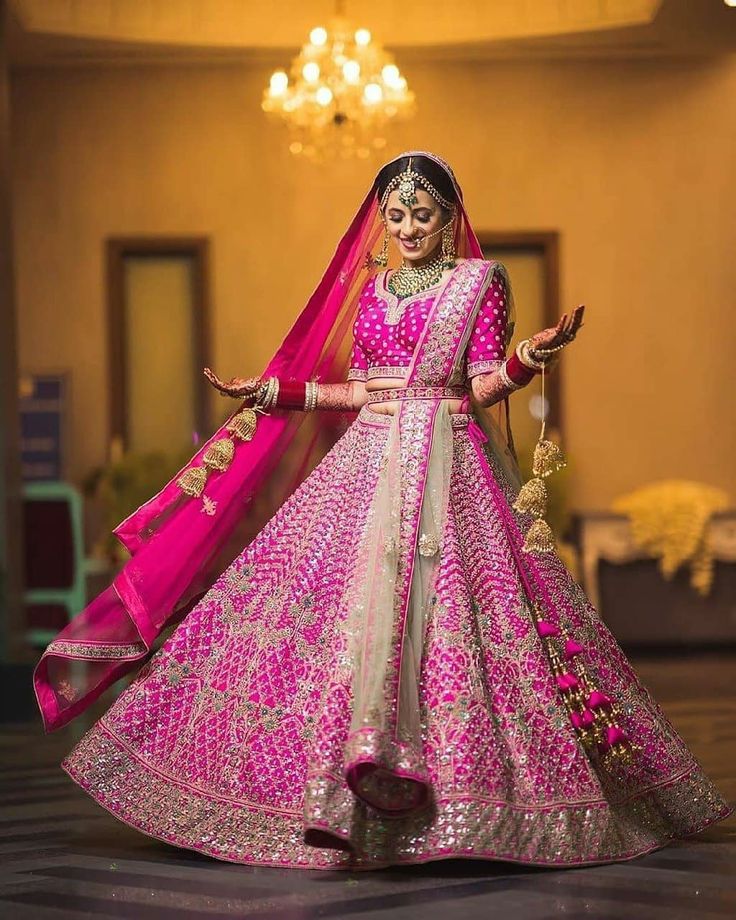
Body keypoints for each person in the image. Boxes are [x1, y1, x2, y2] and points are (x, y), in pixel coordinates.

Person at [34, 151, 731, 870]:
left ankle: (467, 806)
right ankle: (324, 792)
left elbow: (486, 387)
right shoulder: (375, 291)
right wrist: (279, 394)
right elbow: (363, 392)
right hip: (367, 465)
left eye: (422, 214)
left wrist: (530, 353)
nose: (407, 227)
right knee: (318, 609)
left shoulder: (477, 283)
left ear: (449, 217)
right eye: (395, 215)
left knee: (467, 617)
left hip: (451, 463)